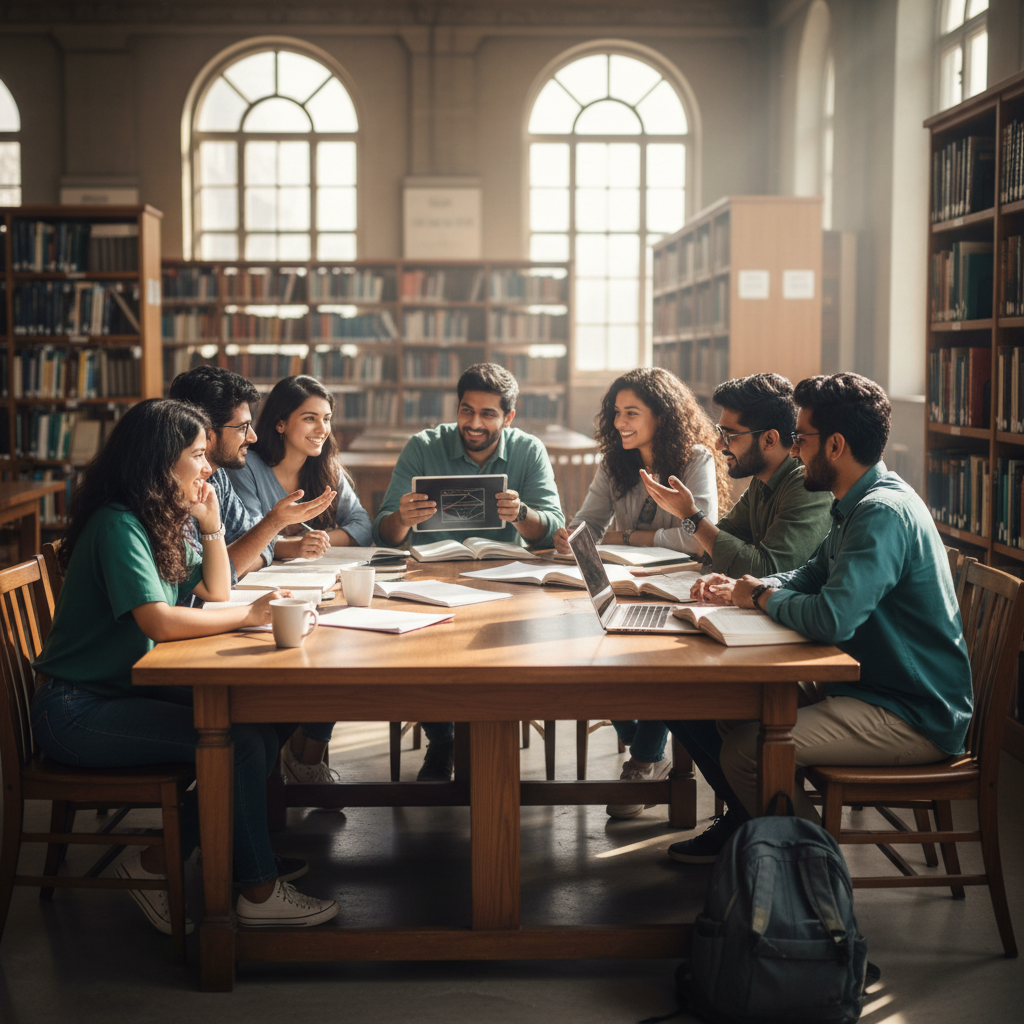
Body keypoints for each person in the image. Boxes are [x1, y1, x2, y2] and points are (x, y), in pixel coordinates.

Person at [30, 398, 339, 933]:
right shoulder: (118, 523)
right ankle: (256, 890)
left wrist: (212, 524)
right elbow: (161, 623)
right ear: (159, 459)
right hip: (76, 710)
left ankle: (164, 862)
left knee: (259, 733)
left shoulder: (156, 518)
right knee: (240, 745)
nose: (209, 466)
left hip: (120, 691)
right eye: (198, 454)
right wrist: (250, 615)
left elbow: (215, 589)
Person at [663, 372, 973, 865]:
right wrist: (754, 588)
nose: (795, 449)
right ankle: (773, 851)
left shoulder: (881, 513)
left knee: (746, 750)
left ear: (835, 445)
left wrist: (760, 600)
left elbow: (833, 620)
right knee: (734, 711)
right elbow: (811, 572)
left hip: (914, 713)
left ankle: (812, 877)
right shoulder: (857, 501)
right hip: (872, 690)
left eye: (802, 439)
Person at [636, 373, 832, 833]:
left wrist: (691, 517)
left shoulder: (805, 485)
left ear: (769, 438)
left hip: (798, 651)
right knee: (673, 694)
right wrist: (710, 554)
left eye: (730, 434)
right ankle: (745, 819)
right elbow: (728, 546)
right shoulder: (766, 480)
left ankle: (751, 826)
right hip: (770, 628)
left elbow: (760, 564)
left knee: (689, 696)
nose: (722, 445)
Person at [373, 362, 565, 781]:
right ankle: (443, 739)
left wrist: (523, 514)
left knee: (506, 650)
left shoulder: (528, 449)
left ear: (508, 417)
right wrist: (402, 518)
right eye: (466, 410)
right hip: (428, 582)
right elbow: (384, 532)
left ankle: (489, 737)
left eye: (488, 414)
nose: (474, 423)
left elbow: (551, 528)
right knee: (420, 655)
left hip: (506, 581)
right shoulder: (423, 446)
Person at [551, 367, 728, 817]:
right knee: (601, 655)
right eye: (616, 413)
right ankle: (645, 739)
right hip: (629, 583)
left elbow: (697, 535)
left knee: (653, 663)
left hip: (681, 586)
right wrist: (573, 535)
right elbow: (590, 522)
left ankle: (645, 759)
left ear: (662, 417)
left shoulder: (695, 459)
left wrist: (630, 539)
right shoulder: (616, 463)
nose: (620, 423)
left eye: (632, 413)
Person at [227, 374, 373, 785]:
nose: (322, 430)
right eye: (310, 418)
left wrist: (322, 540)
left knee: (342, 654)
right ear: (280, 423)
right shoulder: (248, 469)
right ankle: (286, 757)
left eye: (326, 419)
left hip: (317, 586)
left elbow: (363, 524)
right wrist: (293, 545)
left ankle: (306, 751)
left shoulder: (325, 466)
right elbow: (250, 539)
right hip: (262, 594)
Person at [168, 366, 337, 581]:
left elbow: (261, 548)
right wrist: (272, 523)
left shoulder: (217, 477)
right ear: (205, 431)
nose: (252, 437)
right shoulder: (167, 493)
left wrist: (244, 554)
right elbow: (209, 580)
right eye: (242, 428)